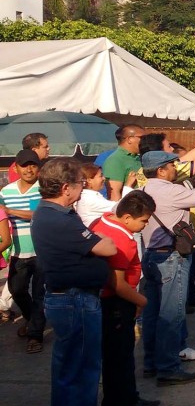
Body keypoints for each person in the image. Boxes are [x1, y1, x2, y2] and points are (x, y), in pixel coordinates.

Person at [31, 158, 118, 406]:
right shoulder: (59, 219)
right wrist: (99, 238)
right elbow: (108, 248)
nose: (84, 188)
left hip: (71, 297)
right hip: (74, 298)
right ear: (65, 188)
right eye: (81, 183)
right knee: (81, 366)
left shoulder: (53, 214)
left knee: (69, 364)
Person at [140, 150, 195, 386]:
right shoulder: (170, 191)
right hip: (171, 257)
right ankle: (168, 368)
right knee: (171, 313)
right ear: (161, 170)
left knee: (152, 312)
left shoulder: (144, 189)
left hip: (152, 254)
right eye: (171, 165)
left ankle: (151, 362)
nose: (175, 168)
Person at [92, 191, 159, 406]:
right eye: (144, 221)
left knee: (114, 356)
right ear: (128, 217)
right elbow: (118, 284)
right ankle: (124, 399)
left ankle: (123, 397)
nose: (145, 226)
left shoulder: (102, 221)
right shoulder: (121, 240)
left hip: (107, 301)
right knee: (120, 357)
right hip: (117, 304)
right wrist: (141, 300)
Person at [1, 149, 44, 353]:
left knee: (39, 294)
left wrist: (10, 211)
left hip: (41, 250)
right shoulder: (6, 192)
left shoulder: (43, 189)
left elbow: (37, 214)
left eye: (33, 165)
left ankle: (35, 336)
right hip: (17, 252)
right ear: (16, 168)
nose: (29, 169)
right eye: (24, 165)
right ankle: (31, 319)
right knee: (17, 290)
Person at [104, 124, 145, 201]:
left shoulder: (138, 157)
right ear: (129, 139)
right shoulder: (115, 160)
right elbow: (114, 194)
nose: (145, 141)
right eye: (142, 138)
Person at [76, 163, 118, 229]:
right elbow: (119, 207)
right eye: (100, 176)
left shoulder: (90, 196)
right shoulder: (88, 199)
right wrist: (128, 186)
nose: (104, 178)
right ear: (89, 180)